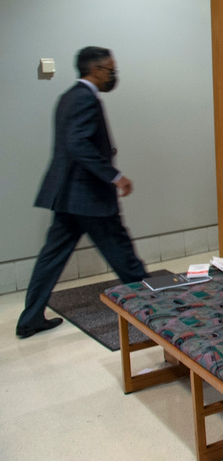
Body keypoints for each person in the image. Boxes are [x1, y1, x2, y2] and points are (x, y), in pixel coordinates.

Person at [17, 47, 147, 339]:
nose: (114, 75)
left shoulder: (67, 97)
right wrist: (115, 176)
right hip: (88, 196)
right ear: (96, 70)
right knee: (122, 252)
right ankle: (156, 307)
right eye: (111, 70)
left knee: (51, 258)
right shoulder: (85, 99)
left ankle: (30, 318)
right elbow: (78, 145)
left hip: (67, 195)